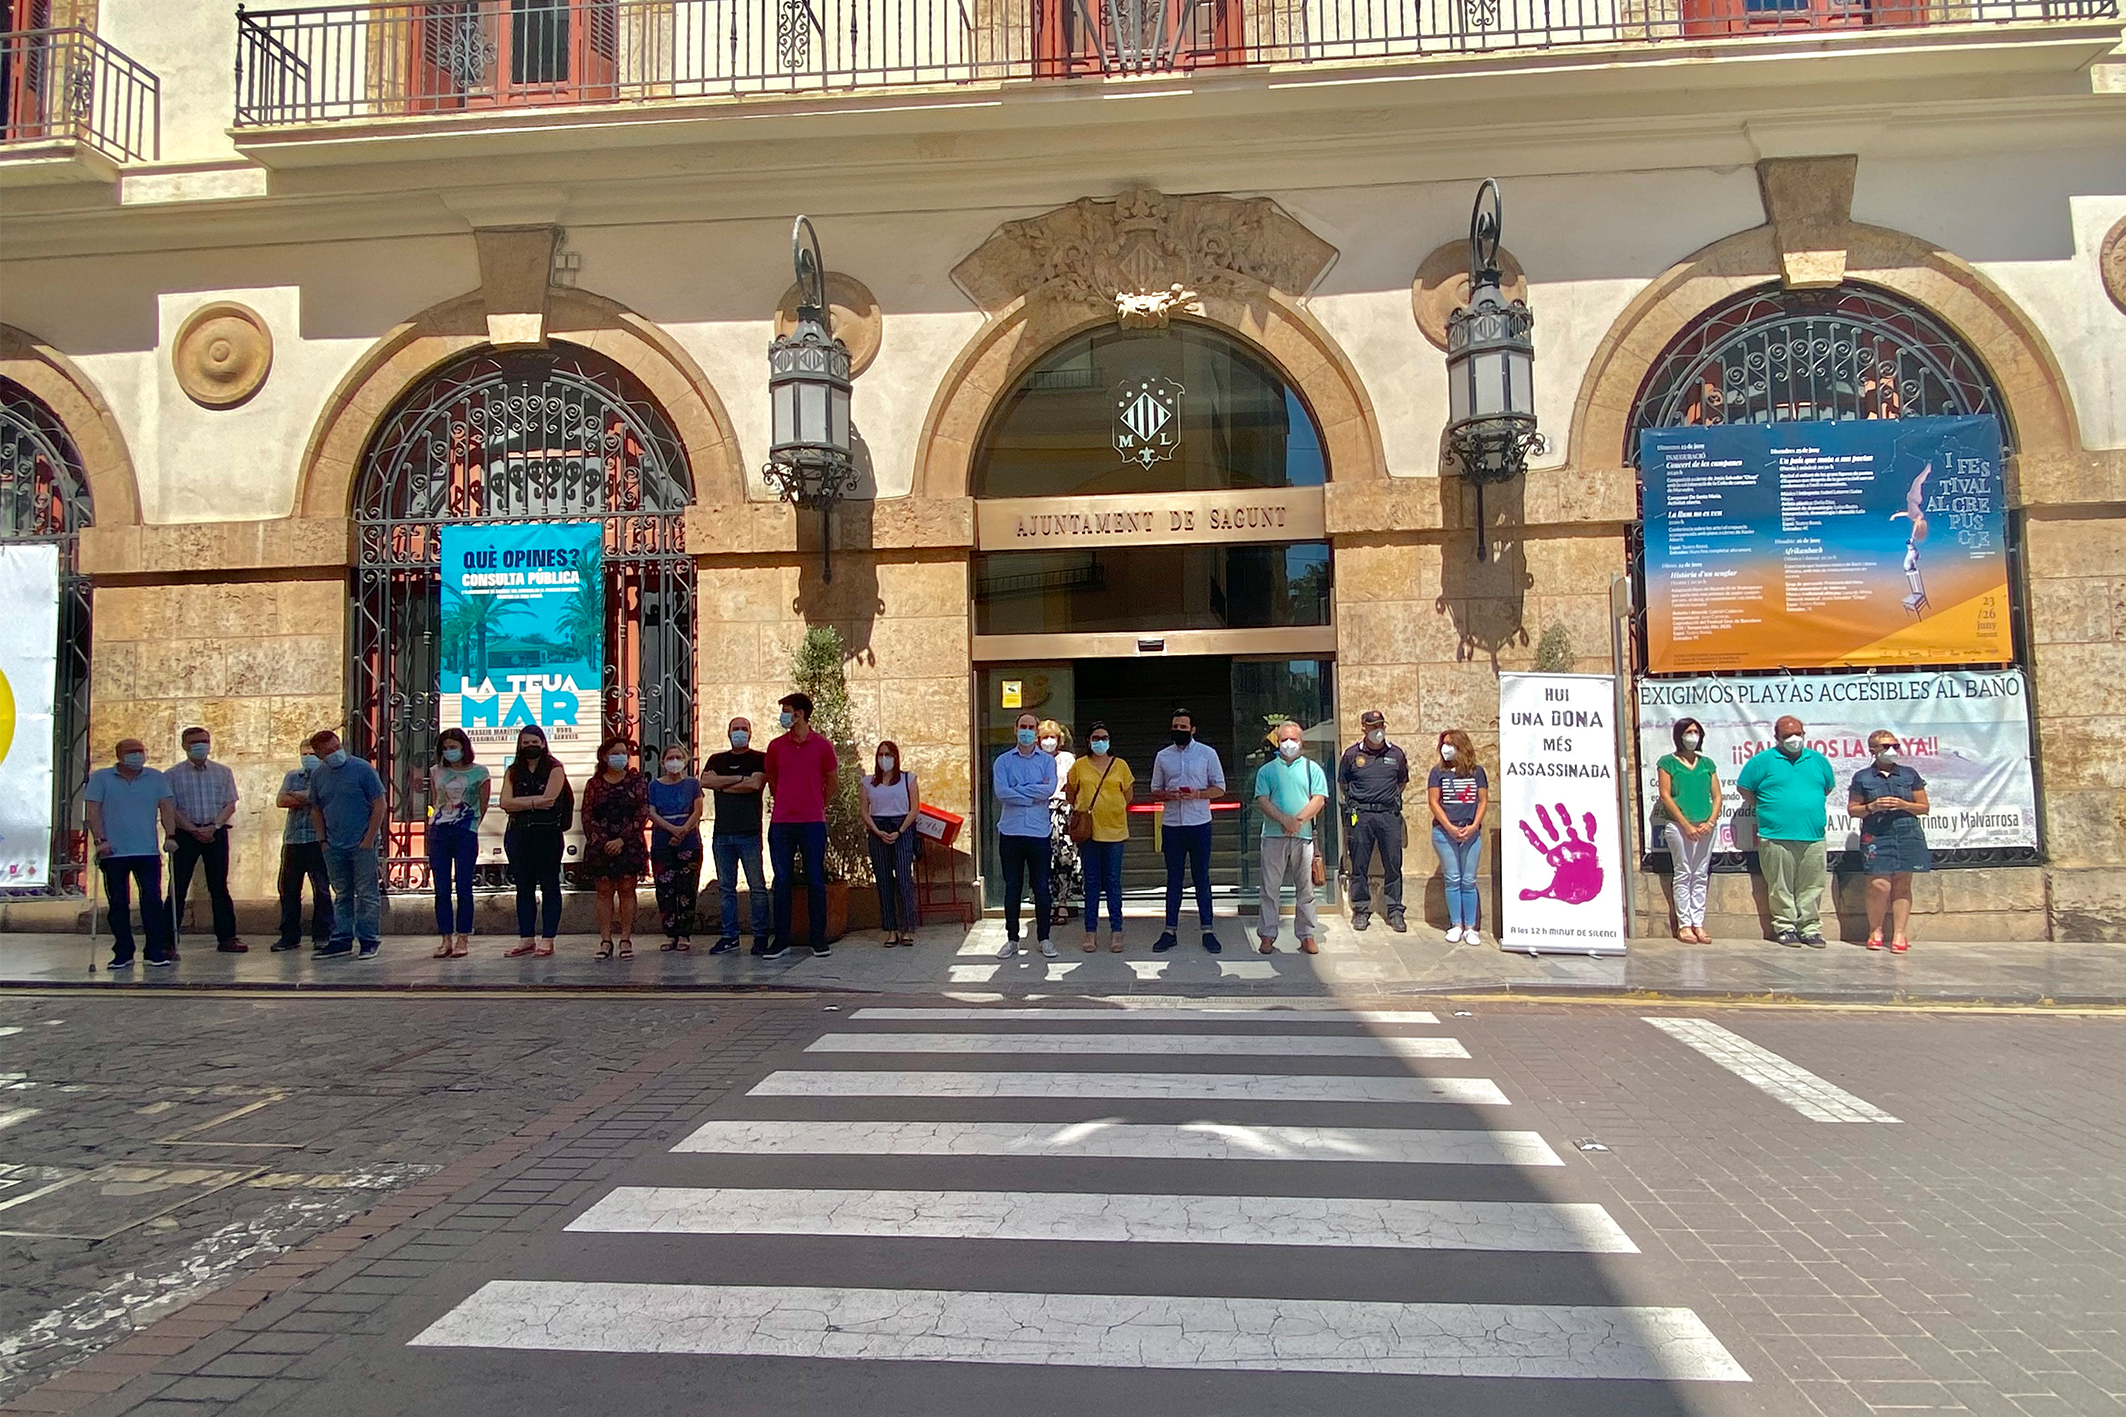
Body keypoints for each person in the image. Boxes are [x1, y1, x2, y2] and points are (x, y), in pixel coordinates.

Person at [1735, 714, 1837, 948]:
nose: (1793, 739)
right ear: (1777, 737)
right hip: (1775, 834)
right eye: (1787, 735)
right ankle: (1785, 927)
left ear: (1804, 734)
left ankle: (1810, 929)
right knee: (1780, 885)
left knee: (1812, 885)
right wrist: (1770, 808)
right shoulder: (1762, 761)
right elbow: (1745, 789)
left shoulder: (1818, 760)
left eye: (1797, 734)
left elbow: (1827, 787)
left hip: (1813, 835)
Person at [83, 738, 177, 969]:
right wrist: (100, 840)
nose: (137, 755)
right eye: (131, 751)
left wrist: (171, 836)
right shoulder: (101, 778)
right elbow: (93, 811)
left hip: (147, 851)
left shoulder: (156, 777)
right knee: (118, 903)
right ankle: (123, 952)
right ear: (119, 755)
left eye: (140, 750)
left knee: (152, 901)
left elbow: (166, 807)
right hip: (113, 852)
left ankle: (154, 950)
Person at [764, 692, 838, 961]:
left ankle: (818, 938)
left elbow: (832, 780)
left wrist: (819, 804)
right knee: (782, 880)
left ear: (800, 714)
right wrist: (784, 800)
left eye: (787, 710)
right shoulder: (776, 746)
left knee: (815, 879)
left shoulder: (822, 746)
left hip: (812, 823)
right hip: (782, 823)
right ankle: (781, 939)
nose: (783, 715)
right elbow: (772, 779)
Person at [1150, 707, 1226, 954]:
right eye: (1175, 727)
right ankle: (1169, 930)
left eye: (1183, 727)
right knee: (1174, 878)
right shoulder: (1163, 756)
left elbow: (1220, 788)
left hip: (1199, 823)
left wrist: (1198, 794)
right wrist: (1167, 795)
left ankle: (1208, 930)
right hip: (1172, 824)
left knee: (1201, 877)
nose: (1179, 730)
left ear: (1193, 729)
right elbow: (1154, 790)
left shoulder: (1207, 753)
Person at [306, 729, 387, 961]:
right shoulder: (319, 775)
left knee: (367, 893)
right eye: (329, 751)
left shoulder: (362, 769)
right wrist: (323, 840)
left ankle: (369, 940)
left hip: (362, 843)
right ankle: (341, 939)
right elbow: (316, 808)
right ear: (320, 755)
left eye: (337, 747)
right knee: (342, 894)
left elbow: (379, 803)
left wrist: (368, 839)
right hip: (334, 845)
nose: (335, 753)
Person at [1849, 730, 1930, 953]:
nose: (1892, 750)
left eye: (1895, 746)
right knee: (1879, 884)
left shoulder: (1909, 774)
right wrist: (1871, 807)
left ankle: (1899, 934)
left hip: (1907, 831)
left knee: (1902, 883)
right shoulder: (1863, 777)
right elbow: (1853, 810)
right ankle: (1875, 930)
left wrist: (1904, 804)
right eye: (1886, 747)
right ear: (1873, 750)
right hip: (1877, 833)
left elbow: (1924, 807)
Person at [1254, 720, 1329, 955]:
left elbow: (1319, 798)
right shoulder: (1266, 771)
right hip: (1273, 836)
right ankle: (1267, 935)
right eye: (1284, 739)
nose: (1288, 743)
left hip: (1303, 837)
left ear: (1301, 742)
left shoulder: (1312, 769)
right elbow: (1262, 799)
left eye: (1293, 739)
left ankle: (1307, 935)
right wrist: (1283, 820)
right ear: (1277, 742)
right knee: (1269, 888)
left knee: (1305, 889)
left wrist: (1297, 820)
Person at [167, 726, 242, 953]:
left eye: (204, 741)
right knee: (177, 887)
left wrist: (214, 826)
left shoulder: (223, 772)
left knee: (219, 886)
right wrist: (192, 829)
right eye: (195, 742)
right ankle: (168, 941)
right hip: (185, 834)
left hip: (215, 832)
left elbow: (230, 803)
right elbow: (170, 808)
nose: (201, 745)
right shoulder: (171, 775)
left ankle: (227, 937)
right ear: (184, 746)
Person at [499, 725, 571, 959]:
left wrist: (521, 803)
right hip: (518, 834)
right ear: (519, 745)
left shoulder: (554, 768)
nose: (530, 747)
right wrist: (534, 803)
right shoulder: (513, 770)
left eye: (534, 742)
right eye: (526, 743)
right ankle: (526, 938)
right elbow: (504, 802)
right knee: (523, 887)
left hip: (547, 834)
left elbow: (549, 799)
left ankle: (548, 939)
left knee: (550, 885)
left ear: (543, 743)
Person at [702, 717, 770, 957]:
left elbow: (756, 784)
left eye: (744, 729)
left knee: (757, 887)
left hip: (749, 833)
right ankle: (729, 937)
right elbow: (705, 781)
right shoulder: (716, 759)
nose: (739, 732)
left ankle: (760, 936)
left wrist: (722, 784)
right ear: (728, 732)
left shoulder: (759, 758)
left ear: (750, 733)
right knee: (726, 889)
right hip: (722, 835)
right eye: (735, 729)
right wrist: (740, 779)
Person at [994, 710, 1059, 959]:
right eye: (1023, 726)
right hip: (1010, 831)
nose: (1027, 731)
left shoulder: (1047, 761)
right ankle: (1012, 939)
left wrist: (1019, 790)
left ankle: (1044, 938)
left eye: (1031, 727)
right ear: (1015, 729)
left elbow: (1049, 789)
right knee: (1012, 887)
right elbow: (1002, 793)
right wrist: (1032, 795)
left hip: (1038, 832)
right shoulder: (1003, 761)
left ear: (1036, 732)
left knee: (1042, 887)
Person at [1338, 709, 1410, 933]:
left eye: (1380, 726)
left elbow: (1401, 783)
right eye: (1372, 727)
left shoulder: (1396, 754)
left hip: (1388, 815)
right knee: (1359, 864)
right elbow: (1343, 784)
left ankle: (1395, 911)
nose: (1377, 730)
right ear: (1364, 728)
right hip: (1361, 815)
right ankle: (1361, 910)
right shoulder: (1352, 755)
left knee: (1393, 864)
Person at [1067, 722, 1133, 954]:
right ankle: (1090, 931)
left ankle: (1117, 930)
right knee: (1092, 882)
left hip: (1115, 831)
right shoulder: (1079, 765)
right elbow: (1070, 793)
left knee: (1113, 882)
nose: (1100, 742)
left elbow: (1128, 794)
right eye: (1096, 738)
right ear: (1088, 741)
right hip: (1089, 833)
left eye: (1104, 738)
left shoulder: (1120, 765)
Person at [582, 736, 649, 960]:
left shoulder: (636, 781)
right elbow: (587, 815)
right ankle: (605, 940)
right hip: (600, 846)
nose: (620, 757)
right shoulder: (594, 784)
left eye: (623, 753)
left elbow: (642, 812)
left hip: (629, 844)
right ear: (604, 756)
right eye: (615, 753)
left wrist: (622, 840)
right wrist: (603, 842)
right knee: (603, 892)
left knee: (627, 890)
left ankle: (626, 939)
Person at [426, 727, 489, 959]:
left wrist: (472, 826)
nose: (449, 751)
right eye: (445, 748)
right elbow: (436, 800)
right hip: (440, 831)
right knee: (441, 888)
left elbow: (483, 803)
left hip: (465, 832)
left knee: (464, 886)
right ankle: (445, 938)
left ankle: (463, 937)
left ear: (464, 747)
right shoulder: (437, 771)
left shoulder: (479, 772)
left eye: (453, 747)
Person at [1657, 716, 1721, 945]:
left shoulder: (1707, 764)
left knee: (1700, 874)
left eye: (1696, 732)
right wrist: (1685, 824)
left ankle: (1698, 923)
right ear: (1679, 736)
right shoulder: (1668, 762)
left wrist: (1710, 821)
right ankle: (1684, 924)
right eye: (1688, 732)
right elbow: (1665, 795)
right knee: (1683, 873)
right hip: (1679, 826)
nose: (1692, 736)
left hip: (1705, 826)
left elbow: (1717, 796)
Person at [271, 736, 332, 955]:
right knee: (288, 890)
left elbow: (325, 799)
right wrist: (308, 798)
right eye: (304, 754)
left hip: (317, 840)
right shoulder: (292, 776)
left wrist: (298, 797)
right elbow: (281, 800)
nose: (308, 758)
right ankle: (289, 935)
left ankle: (322, 934)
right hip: (293, 840)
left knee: (322, 890)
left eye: (312, 754)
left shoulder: (328, 776)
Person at [1427, 728, 1489, 943]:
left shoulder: (1477, 772)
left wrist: (1474, 826)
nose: (1446, 748)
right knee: (1452, 879)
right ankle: (1456, 924)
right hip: (1444, 834)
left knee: (1468, 880)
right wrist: (1450, 827)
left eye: (1451, 744)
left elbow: (1483, 800)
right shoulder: (1438, 772)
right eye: (1444, 744)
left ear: (1462, 747)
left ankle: (1471, 927)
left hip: (1471, 833)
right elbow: (1433, 801)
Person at [862, 740, 921, 948]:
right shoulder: (868, 782)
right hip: (878, 828)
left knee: (904, 878)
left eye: (888, 754)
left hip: (902, 827)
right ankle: (890, 929)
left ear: (895, 757)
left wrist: (900, 831)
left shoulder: (908, 779)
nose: (884, 759)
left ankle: (908, 928)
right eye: (880, 755)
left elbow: (915, 808)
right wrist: (877, 831)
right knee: (884, 880)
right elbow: (864, 811)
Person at [648, 741, 705, 953]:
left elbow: (697, 811)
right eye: (670, 758)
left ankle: (684, 934)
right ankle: (670, 934)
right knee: (665, 890)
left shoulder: (692, 784)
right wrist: (672, 829)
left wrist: (683, 831)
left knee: (687, 889)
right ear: (663, 762)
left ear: (685, 760)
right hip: (662, 843)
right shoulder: (654, 786)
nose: (674, 762)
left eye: (678, 758)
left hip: (689, 842)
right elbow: (651, 812)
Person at [1039, 719, 1079, 929]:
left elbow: (1075, 785)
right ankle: (1046, 903)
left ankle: (1063, 902)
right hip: (1040, 813)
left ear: (1059, 739)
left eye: (1052, 737)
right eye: (1044, 737)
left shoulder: (1067, 759)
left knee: (1064, 858)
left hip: (1063, 813)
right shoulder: (1034, 760)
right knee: (1043, 860)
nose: (1048, 741)